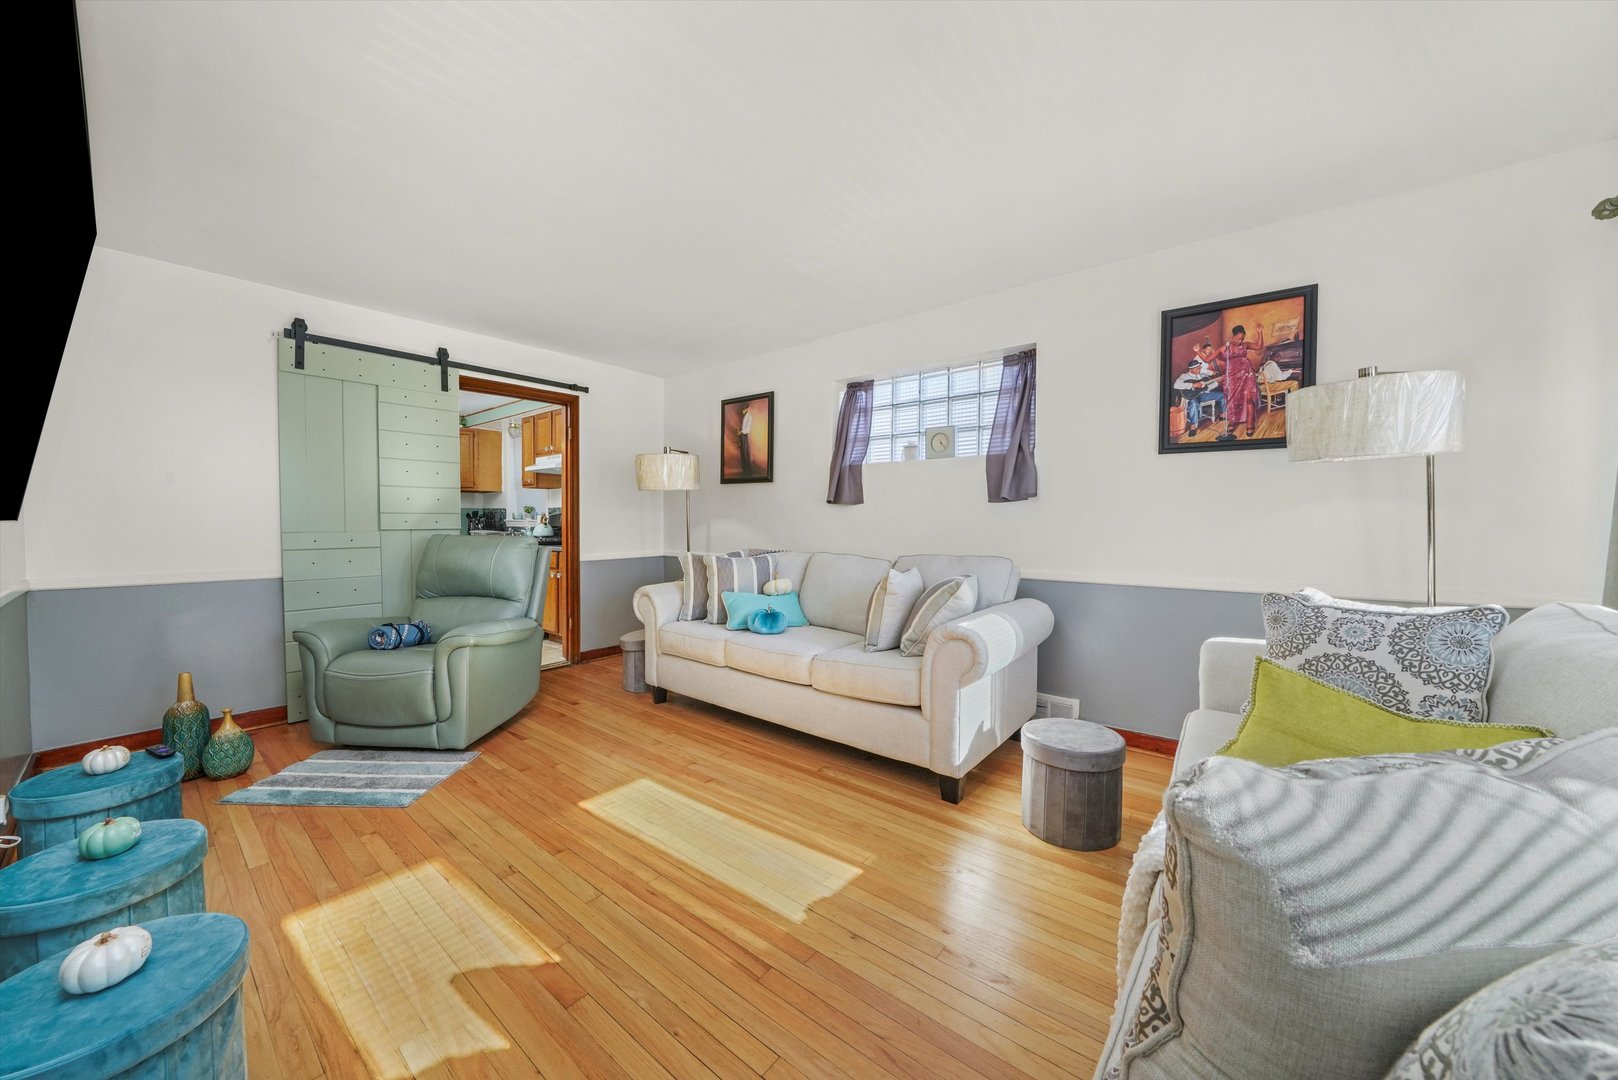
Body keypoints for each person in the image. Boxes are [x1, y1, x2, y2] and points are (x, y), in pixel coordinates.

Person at [1215, 322, 1265, 441]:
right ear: (1233, 336)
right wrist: (1198, 351)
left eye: (1242, 338)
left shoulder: (1245, 345)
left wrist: (1260, 333)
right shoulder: (1225, 347)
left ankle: (1249, 424)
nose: (1239, 341)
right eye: (1237, 338)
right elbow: (1208, 359)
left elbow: (1259, 346)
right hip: (1232, 377)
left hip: (1247, 374)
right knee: (1232, 400)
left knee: (1248, 398)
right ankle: (1232, 422)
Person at [1173, 341, 1224, 436]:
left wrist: (1217, 382)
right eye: (1197, 369)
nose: (1200, 370)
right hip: (1194, 397)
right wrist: (1192, 385)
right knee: (1194, 403)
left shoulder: (1202, 376)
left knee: (1222, 395)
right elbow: (1176, 385)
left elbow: (1207, 387)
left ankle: (1223, 414)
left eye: (1199, 368)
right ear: (1191, 369)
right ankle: (1193, 425)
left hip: (1204, 395)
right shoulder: (1184, 376)